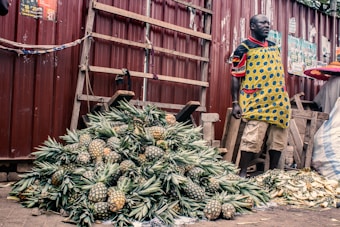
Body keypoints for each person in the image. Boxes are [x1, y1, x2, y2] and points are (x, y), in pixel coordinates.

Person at [230, 14, 291, 177]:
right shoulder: (243, 48)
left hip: (278, 101)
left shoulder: (273, 46)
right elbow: (235, 75)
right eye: (262, 23)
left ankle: (272, 174)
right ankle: (242, 173)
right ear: (252, 26)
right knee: (252, 137)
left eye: (268, 23)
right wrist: (235, 102)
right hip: (256, 100)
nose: (267, 26)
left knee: (278, 137)